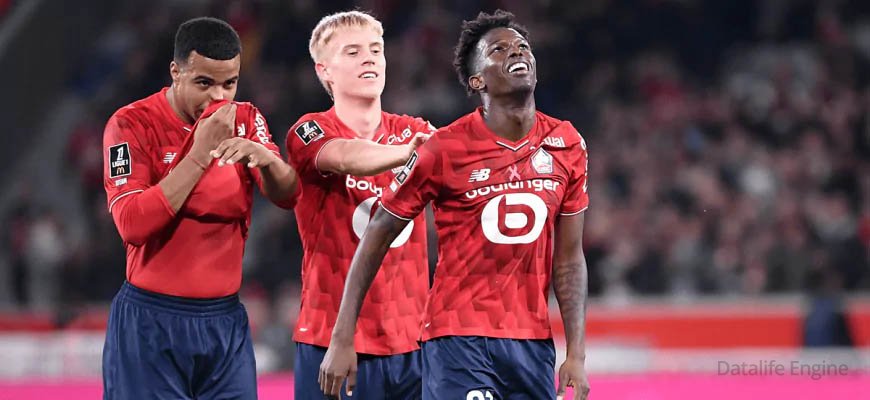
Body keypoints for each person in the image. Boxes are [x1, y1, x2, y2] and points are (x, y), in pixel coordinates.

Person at [320, 10, 592, 400]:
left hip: (532, 343)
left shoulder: (566, 143)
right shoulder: (444, 148)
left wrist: (576, 354)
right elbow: (378, 231)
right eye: (499, 49)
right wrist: (343, 337)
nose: (517, 52)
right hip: (459, 338)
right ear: (477, 80)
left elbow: (568, 260)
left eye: (522, 46)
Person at [101, 17, 297, 399]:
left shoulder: (245, 119)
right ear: (176, 72)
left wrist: (269, 162)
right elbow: (132, 223)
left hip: (224, 326)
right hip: (151, 325)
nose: (218, 98)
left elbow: (288, 196)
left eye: (229, 84)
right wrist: (200, 153)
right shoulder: (131, 124)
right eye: (204, 83)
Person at [285, 10, 435, 400]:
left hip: (413, 343)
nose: (369, 58)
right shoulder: (308, 131)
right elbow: (347, 156)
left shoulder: (414, 130)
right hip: (331, 340)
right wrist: (407, 154)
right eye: (352, 52)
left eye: (375, 49)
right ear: (324, 70)